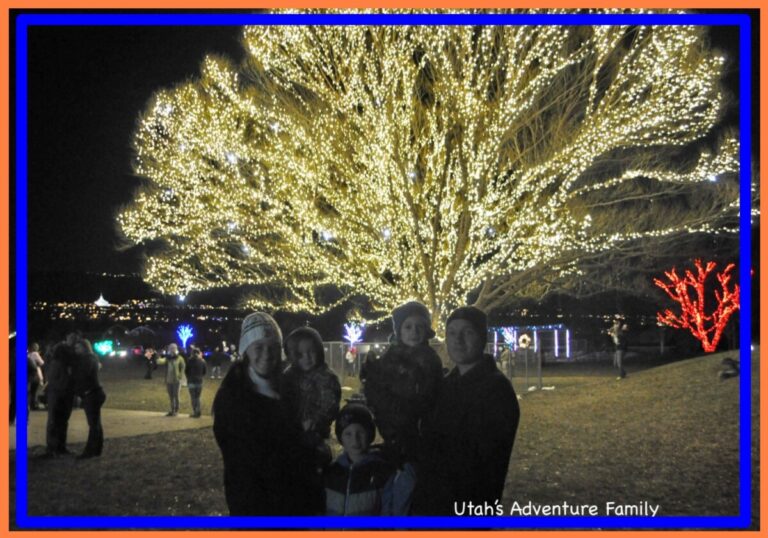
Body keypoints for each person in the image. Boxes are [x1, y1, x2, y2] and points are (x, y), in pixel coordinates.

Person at [212, 312, 324, 515]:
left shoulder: (290, 387)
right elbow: (243, 459)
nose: (266, 354)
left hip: (294, 504)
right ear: (246, 350)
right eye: (258, 347)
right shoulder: (232, 397)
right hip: (256, 506)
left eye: (273, 347)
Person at [412, 306, 520, 515]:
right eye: (452, 333)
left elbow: (481, 459)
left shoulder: (495, 390)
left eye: (467, 332)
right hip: (431, 503)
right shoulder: (446, 384)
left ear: (482, 338)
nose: (458, 340)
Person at [362, 301, 443, 464]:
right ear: (399, 330)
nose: (414, 331)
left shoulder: (430, 360)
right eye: (408, 327)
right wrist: (370, 373)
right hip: (390, 430)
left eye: (420, 326)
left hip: (419, 435)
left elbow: (431, 398)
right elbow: (376, 390)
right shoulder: (389, 358)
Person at [324, 404, 401, 515]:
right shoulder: (332, 472)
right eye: (348, 434)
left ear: (370, 434)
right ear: (340, 437)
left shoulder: (381, 473)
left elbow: (387, 513)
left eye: (360, 432)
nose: (355, 440)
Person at [282, 327, 341, 461]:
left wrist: (315, 421)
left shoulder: (326, 377)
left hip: (315, 435)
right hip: (291, 433)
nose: (307, 357)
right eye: (300, 354)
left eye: (311, 352)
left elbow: (330, 405)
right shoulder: (289, 376)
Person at [70, 337, 106, 459]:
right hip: (95, 392)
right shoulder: (93, 358)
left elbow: (83, 376)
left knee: (93, 424)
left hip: (91, 393)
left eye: (78, 347)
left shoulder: (87, 360)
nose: (76, 350)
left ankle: (90, 451)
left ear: (84, 348)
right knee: (96, 423)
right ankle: (97, 449)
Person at [43, 340, 75, 458]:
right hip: (57, 395)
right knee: (54, 422)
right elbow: (53, 380)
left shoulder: (67, 364)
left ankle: (61, 446)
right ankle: (52, 448)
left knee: (62, 422)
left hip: (64, 395)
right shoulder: (56, 364)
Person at [163, 343, 185, 416]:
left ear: (176, 349)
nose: (172, 349)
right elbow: (161, 362)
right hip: (169, 380)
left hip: (177, 380)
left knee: (176, 396)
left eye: (173, 348)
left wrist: (180, 375)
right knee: (171, 396)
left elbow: (183, 366)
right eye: (170, 348)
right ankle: (172, 410)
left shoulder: (179, 358)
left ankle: (176, 410)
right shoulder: (168, 358)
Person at [185, 347, 207, 417]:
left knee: (193, 397)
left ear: (192, 353)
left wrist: (188, 377)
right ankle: (198, 411)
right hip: (199, 381)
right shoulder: (203, 361)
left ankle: (195, 412)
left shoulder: (189, 361)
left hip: (191, 381)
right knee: (197, 397)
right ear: (199, 353)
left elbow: (186, 371)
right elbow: (204, 372)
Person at [27, 343, 45, 411]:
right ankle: (33, 405)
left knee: (31, 391)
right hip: (36, 374)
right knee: (35, 391)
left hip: (29, 375)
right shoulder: (35, 354)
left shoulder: (28, 355)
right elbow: (42, 363)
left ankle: (30, 404)